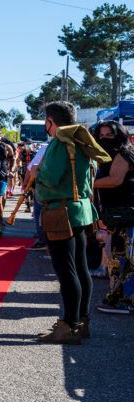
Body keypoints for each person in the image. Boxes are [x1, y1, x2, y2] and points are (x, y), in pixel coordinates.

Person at [34, 102, 110, 343]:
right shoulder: (81, 140)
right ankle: (81, 321)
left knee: (67, 271)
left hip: (60, 211)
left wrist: (37, 173)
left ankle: (68, 325)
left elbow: (52, 178)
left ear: (50, 121)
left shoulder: (60, 142)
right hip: (80, 211)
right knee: (80, 269)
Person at [91, 120, 134, 315]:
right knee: (117, 257)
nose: (105, 139)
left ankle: (125, 301)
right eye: (102, 135)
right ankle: (117, 298)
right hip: (117, 215)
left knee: (126, 258)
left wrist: (90, 184)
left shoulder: (123, 153)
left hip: (127, 214)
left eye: (110, 135)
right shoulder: (110, 155)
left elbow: (116, 180)